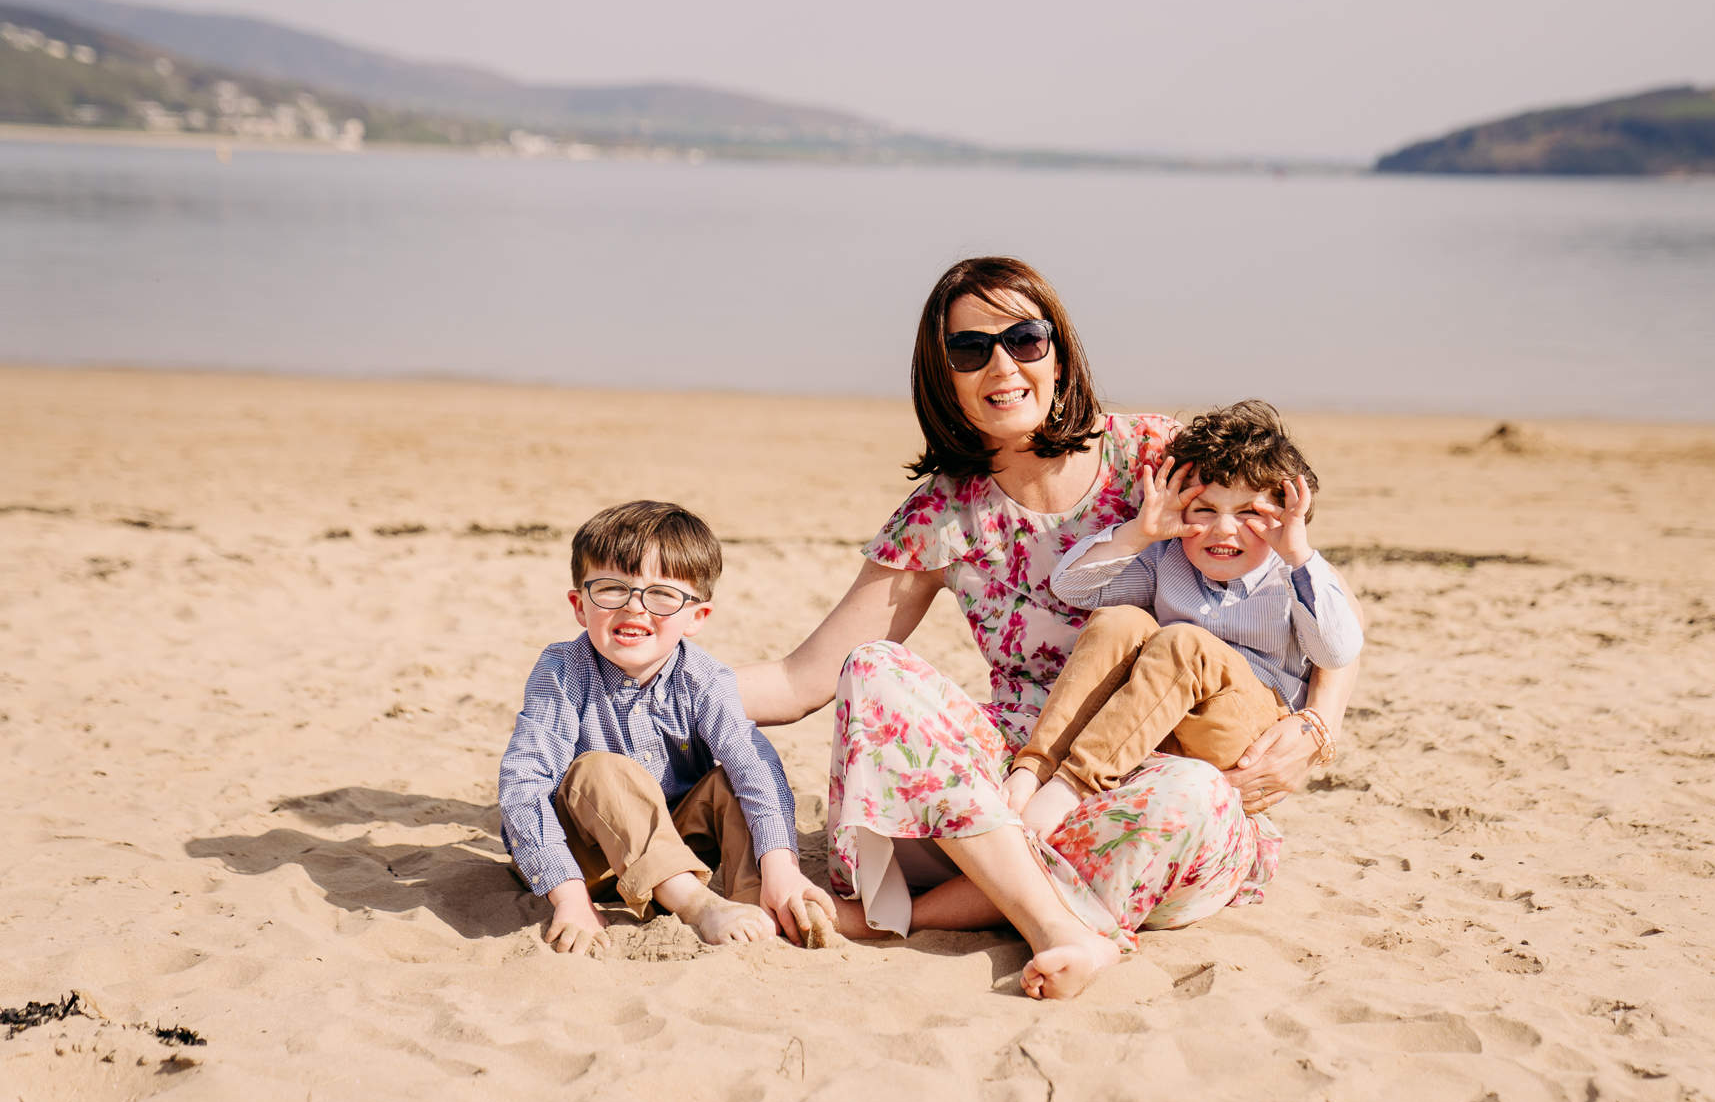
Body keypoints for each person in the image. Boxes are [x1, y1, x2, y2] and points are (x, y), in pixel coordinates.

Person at [736, 257, 1362, 999]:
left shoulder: (1154, 459)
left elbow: (1295, 570)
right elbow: (803, 678)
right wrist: (649, 675)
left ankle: (924, 912)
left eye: (1024, 339)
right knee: (874, 669)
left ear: (1058, 354)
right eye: (970, 350)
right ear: (943, 376)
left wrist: (1319, 725)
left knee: (1194, 791)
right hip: (1014, 783)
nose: (1002, 365)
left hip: (1154, 780)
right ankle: (1055, 918)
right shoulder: (942, 514)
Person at [1003, 399, 1365, 842]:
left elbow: (1338, 650)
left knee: (1183, 643)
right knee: (1120, 621)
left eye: (1250, 513)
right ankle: (1035, 767)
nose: (1225, 529)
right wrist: (1141, 532)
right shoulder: (1166, 558)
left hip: (1245, 732)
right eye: (1205, 510)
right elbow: (1073, 589)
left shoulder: (1292, 573)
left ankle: (1072, 786)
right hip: (1159, 720)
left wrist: (1297, 556)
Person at [498, 500, 833, 954]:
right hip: (588, 858)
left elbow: (752, 767)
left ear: (696, 616)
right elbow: (524, 784)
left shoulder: (705, 678)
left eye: (661, 594)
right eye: (612, 589)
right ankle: (696, 905)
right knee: (599, 768)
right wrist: (571, 897)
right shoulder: (563, 670)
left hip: (678, 840)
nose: (635, 608)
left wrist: (783, 867)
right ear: (580, 605)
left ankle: (759, 899)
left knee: (739, 771)